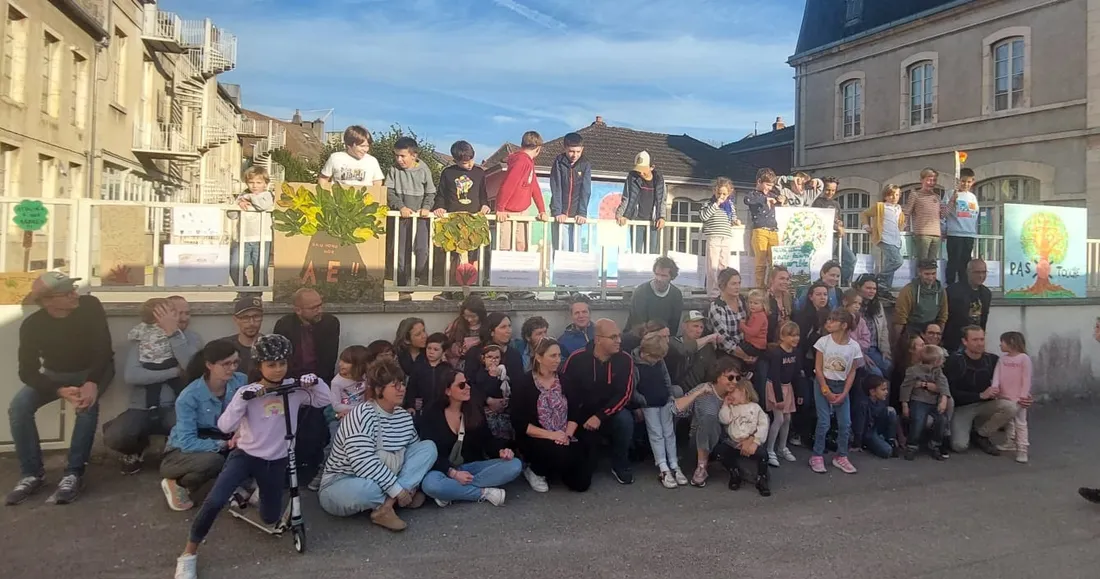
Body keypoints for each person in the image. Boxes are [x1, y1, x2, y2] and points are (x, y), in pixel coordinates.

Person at [172, 335, 332, 579]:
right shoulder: (248, 391)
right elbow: (225, 426)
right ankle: (188, 554)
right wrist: (243, 398)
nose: (277, 370)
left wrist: (315, 382)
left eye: (281, 363)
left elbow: (325, 400)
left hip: (277, 460)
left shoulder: (295, 389)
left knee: (270, 518)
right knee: (215, 501)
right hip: (245, 455)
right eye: (271, 364)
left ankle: (248, 493)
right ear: (259, 366)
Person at [6, 272, 113, 506]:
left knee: (86, 406)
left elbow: (104, 349)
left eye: (74, 289)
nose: (75, 295)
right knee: (19, 407)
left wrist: (92, 381)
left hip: (93, 370)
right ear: (47, 301)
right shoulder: (33, 326)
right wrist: (58, 390)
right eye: (67, 293)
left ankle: (73, 473)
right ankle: (32, 474)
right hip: (56, 376)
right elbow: (27, 372)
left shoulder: (90, 306)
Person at [319, 359, 437, 528]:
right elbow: (362, 462)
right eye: (395, 385)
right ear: (379, 389)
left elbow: (414, 456)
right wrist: (399, 488)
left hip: (385, 478)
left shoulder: (403, 417)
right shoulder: (362, 414)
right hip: (343, 480)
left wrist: (401, 484)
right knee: (369, 490)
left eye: (403, 384)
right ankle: (399, 497)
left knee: (428, 448)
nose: (402, 389)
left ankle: (387, 506)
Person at [103, 296, 202, 475]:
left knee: (193, 430)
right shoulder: (145, 337)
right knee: (115, 436)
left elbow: (191, 368)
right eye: (178, 313)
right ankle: (136, 449)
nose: (184, 318)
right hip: (141, 406)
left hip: (175, 406)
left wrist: (173, 334)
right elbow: (132, 376)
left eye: (188, 313)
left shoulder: (191, 339)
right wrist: (174, 372)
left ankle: (171, 451)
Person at [159, 341, 247, 512]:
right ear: (209, 365)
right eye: (226, 364)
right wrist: (222, 445)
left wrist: (239, 431)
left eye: (235, 362)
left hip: (225, 438)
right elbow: (187, 442)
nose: (232, 368)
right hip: (181, 452)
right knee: (214, 461)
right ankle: (176, 483)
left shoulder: (241, 381)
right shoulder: (189, 396)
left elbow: (248, 410)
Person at [419, 367, 522, 507]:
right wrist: (453, 473)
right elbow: (427, 452)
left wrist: (502, 451)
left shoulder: (474, 409)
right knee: (430, 484)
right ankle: (483, 493)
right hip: (442, 469)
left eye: (467, 383)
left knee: (514, 465)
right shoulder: (432, 413)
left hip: (472, 466)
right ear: (447, 390)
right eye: (461, 385)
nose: (467, 387)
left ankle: (451, 491)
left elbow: (487, 440)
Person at [511, 338, 594, 493]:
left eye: (559, 355)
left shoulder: (565, 381)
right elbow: (519, 422)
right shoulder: (523, 383)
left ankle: (560, 468)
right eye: (553, 356)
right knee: (558, 453)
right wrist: (552, 435)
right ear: (539, 357)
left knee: (581, 483)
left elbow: (575, 412)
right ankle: (535, 470)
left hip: (564, 433)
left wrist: (566, 435)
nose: (558, 360)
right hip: (537, 435)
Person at [561, 318, 636, 484]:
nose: (619, 340)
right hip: (581, 414)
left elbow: (625, 394)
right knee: (585, 470)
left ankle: (620, 463)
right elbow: (564, 389)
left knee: (625, 420)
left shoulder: (625, 359)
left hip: (609, 412)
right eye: (613, 337)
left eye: (619, 336)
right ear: (598, 339)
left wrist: (600, 416)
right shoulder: (577, 358)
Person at [945, 327, 1020, 454]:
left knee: (1011, 407)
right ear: (965, 341)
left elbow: (1011, 381)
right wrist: (979, 395)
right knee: (959, 446)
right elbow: (950, 392)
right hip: (963, 407)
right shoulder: (955, 360)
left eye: (982, 339)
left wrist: (1023, 395)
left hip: (986, 405)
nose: (980, 343)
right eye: (975, 340)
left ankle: (982, 434)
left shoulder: (992, 359)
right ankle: (970, 429)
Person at [675, 357, 743, 487]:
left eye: (737, 378)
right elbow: (676, 409)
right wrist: (696, 394)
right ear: (718, 377)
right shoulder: (704, 390)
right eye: (730, 377)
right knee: (709, 418)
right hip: (699, 442)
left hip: (728, 441)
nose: (734, 382)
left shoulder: (738, 393)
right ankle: (702, 467)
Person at [810, 309, 862, 475]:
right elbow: (818, 368)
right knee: (824, 421)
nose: (828, 323)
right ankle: (817, 455)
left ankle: (841, 456)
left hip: (841, 386)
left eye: (833, 321)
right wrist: (825, 390)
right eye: (828, 320)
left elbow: (852, 371)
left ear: (844, 325)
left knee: (845, 423)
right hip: (823, 384)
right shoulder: (823, 342)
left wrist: (845, 392)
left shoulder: (854, 347)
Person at [632, 331, 685, 489]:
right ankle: (663, 466)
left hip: (664, 401)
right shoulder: (635, 365)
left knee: (669, 432)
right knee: (656, 434)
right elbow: (633, 388)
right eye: (655, 358)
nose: (657, 361)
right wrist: (642, 402)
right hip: (649, 404)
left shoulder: (659, 361)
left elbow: (666, 378)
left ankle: (674, 464)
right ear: (645, 353)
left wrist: (669, 396)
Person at [387, 136, 438, 296]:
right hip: (402, 217)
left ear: (414, 155)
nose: (399, 159)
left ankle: (416, 277)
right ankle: (402, 287)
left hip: (420, 218)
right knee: (400, 252)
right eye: (396, 155)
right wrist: (400, 206)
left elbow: (431, 192)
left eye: (402, 156)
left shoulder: (424, 170)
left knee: (422, 249)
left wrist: (426, 207)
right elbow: (388, 191)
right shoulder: (393, 170)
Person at [435, 141, 490, 290]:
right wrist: (439, 207)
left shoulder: (479, 172)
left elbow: (483, 195)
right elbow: (441, 195)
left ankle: (474, 288)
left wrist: (485, 205)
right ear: (455, 161)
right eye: (465, 163)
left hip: (473, 221)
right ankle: (451, 289)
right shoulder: (448, 173)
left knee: (474, 255)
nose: (470, 164)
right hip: (454, 221)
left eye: (472, 159)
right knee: (453, 255)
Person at [496, 130, 549, 252]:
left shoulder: (528, 162)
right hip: (508, 212)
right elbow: (509, 184)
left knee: (522, 246)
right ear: (538, 149)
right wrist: (500, 208)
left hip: (522, 210)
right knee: (506, 247)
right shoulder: (521, 161)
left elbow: (534, 186)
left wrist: (542, 210)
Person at [717, 379, 771, 497]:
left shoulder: (755, 408)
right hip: (734, 443)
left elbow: (763, 425)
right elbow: (724, 419)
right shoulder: (731, 408)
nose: (729, 395)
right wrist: (725, 404)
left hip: (751, 442)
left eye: (732, 392)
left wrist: (755, 442)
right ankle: (734, 473)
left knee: (763, 455)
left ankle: (762, 478)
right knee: (720, 452)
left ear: (743, 391)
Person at [273, 289, 339, 384]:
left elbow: (329, 361)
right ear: (298, 310)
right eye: (314, 308)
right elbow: (282, 359)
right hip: (292, 382)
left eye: (320, 305)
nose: (320, 311)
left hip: (320, 380)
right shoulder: (284, 326)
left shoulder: (330, 323)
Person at [901, 345, 951, 461]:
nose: (943, 361)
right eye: (941, 359)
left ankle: (935, 445)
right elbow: (905, 388)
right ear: (936, 361)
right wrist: (905, 404)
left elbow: (943, 384)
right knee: (918, 420)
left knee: (942, 420)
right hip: (918, 400)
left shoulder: (938, 372)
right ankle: (912, 446)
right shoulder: (913, 371)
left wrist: (943, 399)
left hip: (933, 402)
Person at [990, 331, 1032, 464]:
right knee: (1008, 421)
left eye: (1002, 342)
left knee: (1020, 423)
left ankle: (1022, 449)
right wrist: (995, 387)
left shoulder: (1024, 358)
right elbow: (997, 374)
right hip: (1004, 395)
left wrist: (1024, 395)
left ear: (1011, 342)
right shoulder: (1002, 359)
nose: (1000, 345)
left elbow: (1026, 378)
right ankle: (1010, 441)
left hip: (1018, 397)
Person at [228, 165, 274, 287]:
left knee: (260, 270)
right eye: (251, 182)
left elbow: (262, 206)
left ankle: (256, 295)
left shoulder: (267, 195)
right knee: (234, 267)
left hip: (262, 239)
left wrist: (249, 197)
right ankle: (245, 291)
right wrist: (238, 203)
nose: (255, 186)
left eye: (259, 182)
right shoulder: (241, 195)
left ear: (265, 183)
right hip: (243, 239)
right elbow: (231, 215)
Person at [616, 150, 667, 254]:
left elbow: (662, 201)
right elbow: (626, 197)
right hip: (636, 220)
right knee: (636, 253)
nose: (641, 173)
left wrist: (662, 217)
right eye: (638, 170)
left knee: (652, 254)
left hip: (653, 222)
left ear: (652, 167)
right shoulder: (632, 178)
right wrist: (621, 214)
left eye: (644, 170)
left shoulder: (659, 180)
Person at [764, 321, 800, 467]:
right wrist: (779, 398)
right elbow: (775, 375)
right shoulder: (777, 353)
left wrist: (799, 393)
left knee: (787, 418)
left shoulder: (796, 352)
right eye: (792, 336)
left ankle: (782, 447)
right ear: (783, 337)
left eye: (797, 335)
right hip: (775, 387)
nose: (796, 338)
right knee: (778, 419)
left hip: (788, 387)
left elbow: (797, 373)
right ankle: (769, 449)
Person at [549, 132, 592, 252]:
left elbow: (586, 190)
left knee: (575, 250)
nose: (575, 155)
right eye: (571, 151)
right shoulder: (559, 162)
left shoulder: (585, 164)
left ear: (582, 149)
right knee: (561, 249)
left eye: (578, 152)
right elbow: (556, 187)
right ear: (565, 148)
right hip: (561, 215)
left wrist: (582, 213)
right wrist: (558, 212)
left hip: (576, 216)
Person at [861, 184, 905, 297]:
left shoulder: (898, 208)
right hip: (884, 238)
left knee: (889, 262)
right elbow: (865, 214)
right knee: (897, 261)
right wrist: (866, 226)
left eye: (896, 195)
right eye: (890, 195)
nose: (894, 197)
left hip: (895, 239)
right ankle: (880, 278)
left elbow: (900, 222)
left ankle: (884, 289)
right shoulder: (880, 206)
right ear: (885, 196)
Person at [700, 177, 741, 297]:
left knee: (723, 265)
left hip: (726, 237)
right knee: (712, 265)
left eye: (724, 194)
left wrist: (736, 221)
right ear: (714, 191)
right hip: (714, 237)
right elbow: (704, 217)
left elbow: (732, 218)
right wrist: (716, 204)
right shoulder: (708, 203)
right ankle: (713, 293)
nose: (721, 196)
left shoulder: (730, 205)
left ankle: (723, 290)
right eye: (719, 193)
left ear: (729, 193)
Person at [812, 177, 856, 285]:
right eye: (827, 189)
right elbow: (820, 219)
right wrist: (837, 227)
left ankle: (842, 282)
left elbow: (837, 219)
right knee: (825, 262)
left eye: (833, 190)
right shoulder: (817, 202)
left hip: (838, 237)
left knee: (851, 259)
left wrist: (840, 224)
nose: (830, 193)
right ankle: (821, 283)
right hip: (825, 237)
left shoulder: (836, 204)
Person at [743, 168, 782, 288]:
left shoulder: (772, 193)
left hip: (773, 231)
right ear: (759, 181)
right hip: (760, 230)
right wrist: (765, 199)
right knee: (760, 262)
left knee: (774, 262)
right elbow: (747, 200)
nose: (769, 188)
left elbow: (781, 195)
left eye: (771, 185)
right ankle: (759, 287)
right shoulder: (753, 195)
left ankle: (772, 286)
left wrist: (782, 199)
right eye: (767, 185)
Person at [707, 268, 753, 367]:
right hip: (729, 354)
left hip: (748, 346)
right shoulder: (717, 306)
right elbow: (724, 340)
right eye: (733, 284)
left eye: (739, 283)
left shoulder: (743, 300)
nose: (737, 287)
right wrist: (745, 356)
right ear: (723, 285)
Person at [625, 256, 683, 332]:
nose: (659, 279)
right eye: (657, 274)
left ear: (672, 277)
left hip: (664, 338)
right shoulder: (641, 292)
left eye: (664, 276)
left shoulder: (676, 295)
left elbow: (673, 326)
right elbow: (639, 326)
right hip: (638, 338)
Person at [944, 259, 991, 351]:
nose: (981, 276)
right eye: (977, 272)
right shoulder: (953, 291)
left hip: (975, 340)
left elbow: (984, 318)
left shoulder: (986, 293)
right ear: (968, 272)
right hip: (955, 340)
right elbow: (945, 316)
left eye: (984, 272)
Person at [318, 125, 385, 188]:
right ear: (349, 145)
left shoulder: (372, 161)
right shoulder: (335, 158)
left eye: (367, 146)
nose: (365, 150)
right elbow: (323, 179)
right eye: (362, 146)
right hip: (339, 198)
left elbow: (377, 183)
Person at [944, 168, 980, 285]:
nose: (965, 184)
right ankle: (950, 286)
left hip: (969, 234)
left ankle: (964, 286)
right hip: (955, 234)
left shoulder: (972, 197)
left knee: (965, 263)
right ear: (958, 181)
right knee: (954, 262)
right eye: (963, 181)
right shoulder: (951, 193)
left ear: (972, 182)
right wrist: (952, 202)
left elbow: (975, 215)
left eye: (968, 182)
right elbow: (943, 213)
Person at [667, 310, 718, 392]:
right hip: (675, 392)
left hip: (698, 392)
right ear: (684, 326)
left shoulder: (707, 348)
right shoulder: (672, 342)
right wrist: (708, 338)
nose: (699, 331)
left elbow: (711, 374)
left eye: (701, 327)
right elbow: (683, 350)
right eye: (695, 326)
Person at [470, 345, 514, 441]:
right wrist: (493, 377)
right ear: (483, 358)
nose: (493, 360)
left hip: (504, 413)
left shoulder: (504, 372)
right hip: (488, 413)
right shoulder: (480, 374)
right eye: (490, 357)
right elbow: (483, 390)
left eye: (496, 357)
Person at [894, 259, 948, 336]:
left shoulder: (941, 291)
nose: (930, 277)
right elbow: (900, 318)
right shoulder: (908, 290)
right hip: (912, 330)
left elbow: (943, 316)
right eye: (927, 274)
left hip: (932, 328)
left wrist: (938, 336)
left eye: (933, 273)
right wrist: (898, 341)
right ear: (919, 273)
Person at [464, 312, 524, 380]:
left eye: (509, 326)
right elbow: (470, 380)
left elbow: (520, 382)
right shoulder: (475, 353)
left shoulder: (514, 354)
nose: (509, 330)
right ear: (491, 332)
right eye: (503, 327)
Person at [903, 167, 947, 261]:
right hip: (922, 234)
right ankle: (919, 276)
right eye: (929, 180)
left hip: (936, 234)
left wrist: (952, 201)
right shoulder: (915, 195)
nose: (932, 183)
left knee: (933, 262)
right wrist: (905, 228)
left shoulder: (937, 197)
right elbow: (907, 212)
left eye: (934, 180)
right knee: (923, 262)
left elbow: (942, 216)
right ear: (922, 180)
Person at [404, 332, 452, 417]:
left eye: (435, 349)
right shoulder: (419, 366)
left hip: (442, 411)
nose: (431, 352)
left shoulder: (447, 369)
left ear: (444, 352)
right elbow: (411, 387)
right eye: (429, 348)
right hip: (421, 410)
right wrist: (410, 405)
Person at [853, 275, 892, 378]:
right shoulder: (853, 305)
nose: (872, 291)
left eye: (874, 288)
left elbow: (883, 328)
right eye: (868, 288)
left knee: (888, 367)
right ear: (859, 288)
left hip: (874, 348)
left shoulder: (877, 305)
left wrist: (885, 350)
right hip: (858, 350)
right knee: (875, 374)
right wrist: (862, 355)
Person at [855, 375, 899, 459]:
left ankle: (890, 440)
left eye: (886, 389)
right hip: (868, 433)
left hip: (877, 429)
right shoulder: (863, 404)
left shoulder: (881, 401)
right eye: (883, 389)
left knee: (891, 410)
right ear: (872, 392)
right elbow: (859, 425)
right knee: (887, 452)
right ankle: (871, 444)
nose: (886, 392)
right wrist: (857, 444)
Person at [220, 295, 263, 375]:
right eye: (245, 318)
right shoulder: (224, 346)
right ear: (235, 319)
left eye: (256, 316)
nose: (251, 323)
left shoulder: (271, 346)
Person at [444, 295, 486, 370]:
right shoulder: (457, 325)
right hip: (459, 365)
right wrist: (458, 349)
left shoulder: (486, 326)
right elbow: (446, 345)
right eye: (466, 316)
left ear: (480, 314)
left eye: (473, 316)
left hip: (479, 365)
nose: (469, 319)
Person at [765, 266, 794, 343]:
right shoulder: (764, 298)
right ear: (772, 280)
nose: (785, 282)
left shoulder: (789, 297)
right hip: (769, 342)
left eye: (787, 279)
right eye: (782, 278)